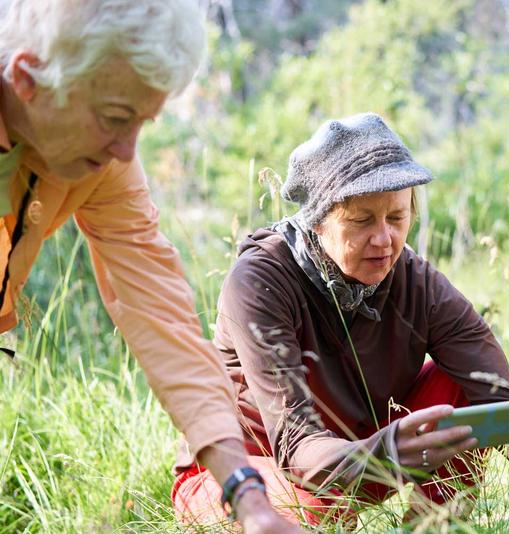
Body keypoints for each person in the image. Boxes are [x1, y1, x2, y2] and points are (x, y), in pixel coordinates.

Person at [172, 112, 509, 526]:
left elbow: (506, 428)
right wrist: (387, 450)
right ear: (317, 221)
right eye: (361, 220)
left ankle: (430, 527)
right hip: (240, 474)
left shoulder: (417, 283)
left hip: (365, 457)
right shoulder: (261, 282)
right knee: (316, 511)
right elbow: (298, 449)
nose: (384, 239)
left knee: (456, 395)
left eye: (397, 218)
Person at [0, 1, 299, 531]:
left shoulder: (100, 162)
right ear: (27, 77)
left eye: (142, 122)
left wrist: (247, 496)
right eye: (116, 118)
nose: (126, 149)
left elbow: (158, 312)